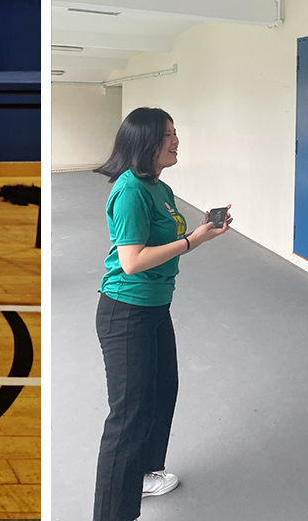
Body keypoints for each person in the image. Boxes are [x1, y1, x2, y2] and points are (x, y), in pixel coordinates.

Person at [91, 108, 233, 521]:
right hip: (126, 311)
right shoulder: (130, 190)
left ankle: (145, 473)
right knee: (128, 414)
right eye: (168, 135)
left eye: (175, 133)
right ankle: (112, 513)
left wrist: (202, 232)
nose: (176, 141)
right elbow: (132, 261)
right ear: (146, 142)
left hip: (154, 307)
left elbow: (173, 239)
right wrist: (191, 241)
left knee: (161, 392)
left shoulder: (159, 188)